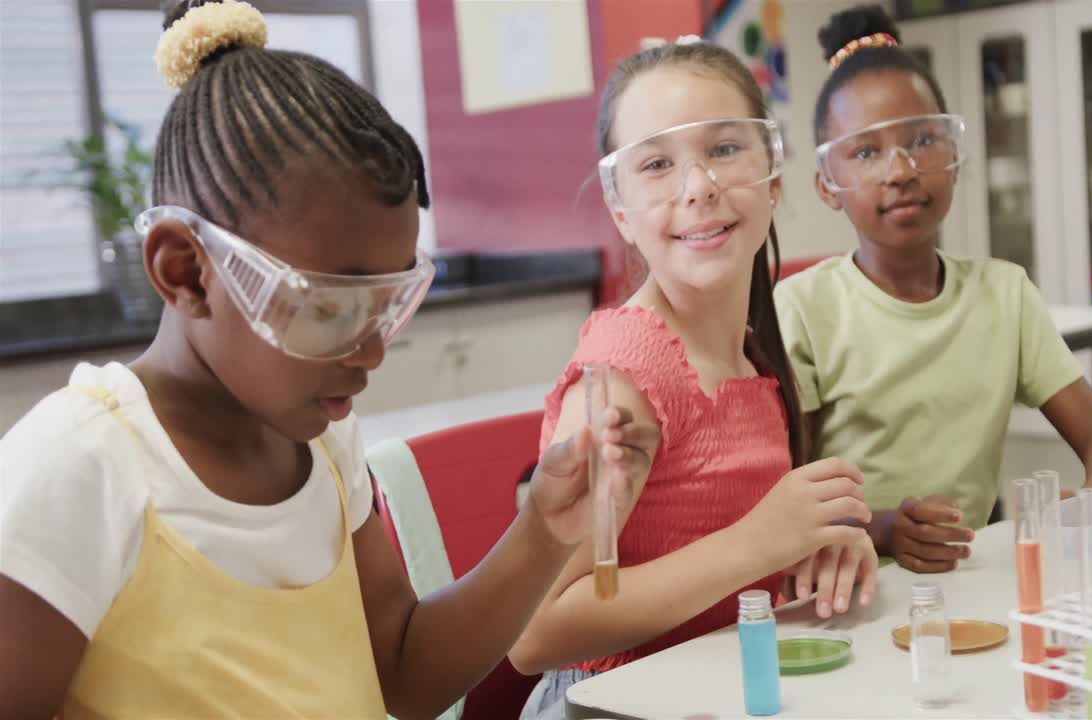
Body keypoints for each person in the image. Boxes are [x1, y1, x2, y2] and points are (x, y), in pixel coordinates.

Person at [0, 2, 642, 718]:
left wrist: (544, 532)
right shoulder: (79, 467)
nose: (371, 351)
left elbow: (406, 674)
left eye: (387, 304)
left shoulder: (324, 444)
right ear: (186, 273)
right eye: (329, 308)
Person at [510, 36, 879, 720]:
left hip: (714, 689)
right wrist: (759, 543)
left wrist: (810, 551)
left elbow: (714, 573)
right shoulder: (625, 371)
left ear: (773, 176)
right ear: (621, 210)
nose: (699, 186)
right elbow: (536, 634)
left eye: (725, 149)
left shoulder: (751, 356)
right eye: (657, 164)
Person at [775, 5, 1092, 574]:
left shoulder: (1005, 294)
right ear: (827, 184)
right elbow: (783, 506)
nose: (901, 170)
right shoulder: (802, 309)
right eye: (866, 152)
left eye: (922, 139)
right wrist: (885, 529)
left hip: (970, 587)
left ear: (954, 156)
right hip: (852, 592)